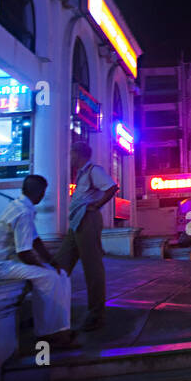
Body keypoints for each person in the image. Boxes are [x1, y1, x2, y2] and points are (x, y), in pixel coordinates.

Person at [0, 175, 77, 348]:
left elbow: (35, 241)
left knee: (62, 275)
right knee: (49, 278)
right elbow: (25, 251)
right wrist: (44, 267)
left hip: (10, 262)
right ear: (39, 193)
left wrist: (51, 262)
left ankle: (62, 328)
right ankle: (47, 333)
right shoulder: (23, 212)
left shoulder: (22, 207)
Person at [54, 141, 118, 332]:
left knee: (92, 267)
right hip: (77, 223)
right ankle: (50, 310)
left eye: (71, 153)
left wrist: (96, 205)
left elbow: (111, 187)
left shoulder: (93, 171)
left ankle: (96, 314)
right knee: (60, 265)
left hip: (87, 220)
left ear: (78, 153)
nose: (70, 157)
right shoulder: (82, 173)